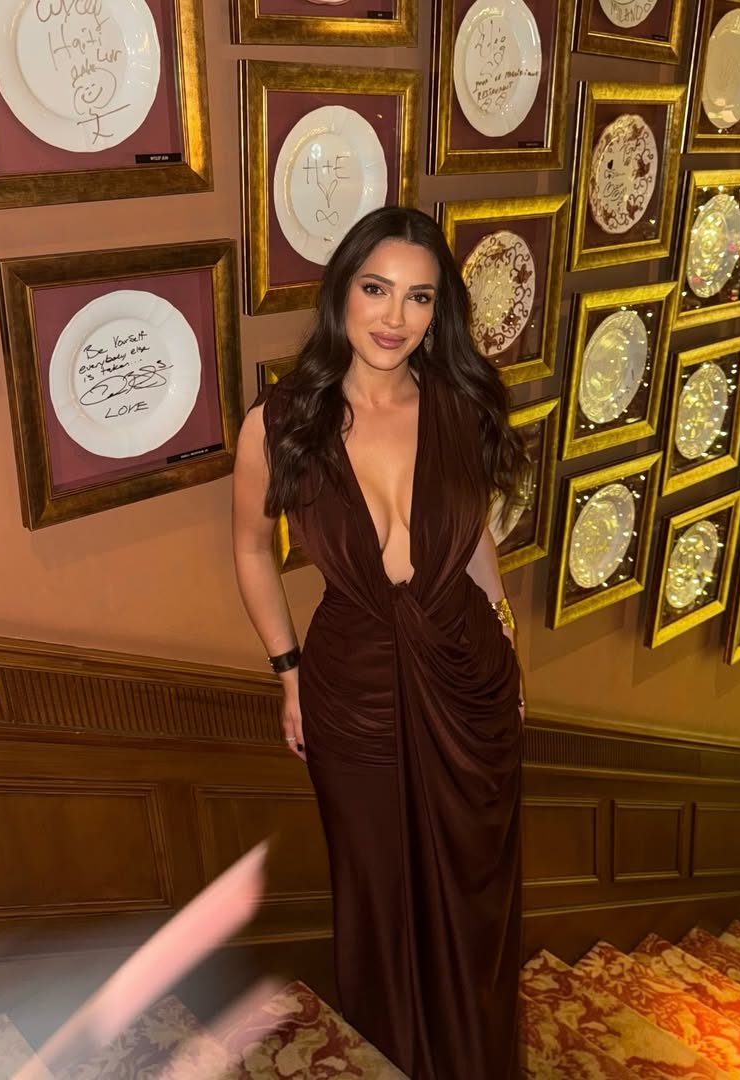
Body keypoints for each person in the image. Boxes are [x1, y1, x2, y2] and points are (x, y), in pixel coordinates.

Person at [231, 206, 528, 1079]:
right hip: (351, 690)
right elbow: (250, 548)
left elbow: (473, 542)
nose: (395, 317)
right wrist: (288, 673)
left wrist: (510, 650)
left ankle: (475, 1059)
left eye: (419, 298)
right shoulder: (281, 421)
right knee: (376, 899)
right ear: (342, 294)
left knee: (476, 898)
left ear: (439, 313)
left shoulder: (462, 405)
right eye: (377, 289)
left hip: (469, 680)